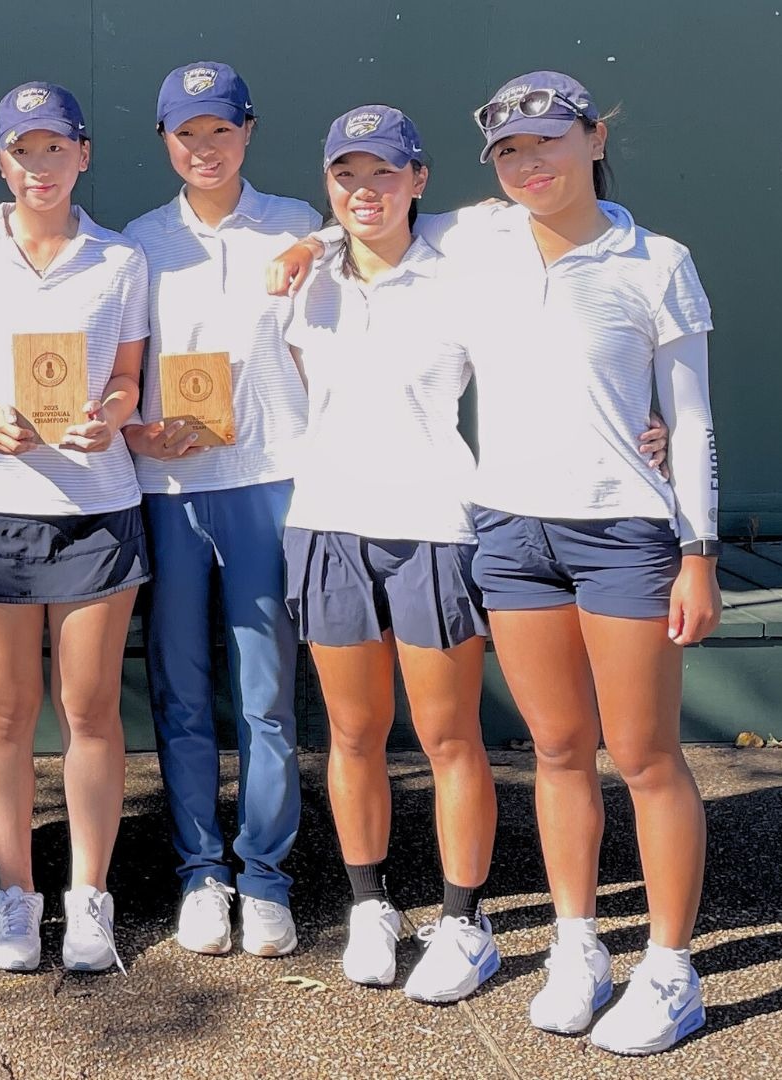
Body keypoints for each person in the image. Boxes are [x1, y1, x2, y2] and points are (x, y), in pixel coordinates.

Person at [271, 71, 718, 1055]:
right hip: (512, 535)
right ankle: (575, 947)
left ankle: (672, 970)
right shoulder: (481, 248)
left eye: (548, 143)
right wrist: (307, 240)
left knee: (643, 756)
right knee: (557, 753)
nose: (530, 165)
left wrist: (697, 549)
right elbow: (367, 223)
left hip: (623, 536)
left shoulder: (657, 261)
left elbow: (690, 424)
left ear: (596, 137)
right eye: (511, 153)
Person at [0, 82, 148, 973]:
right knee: (6, 711)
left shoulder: (121, 260)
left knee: (90, 709)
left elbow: (130, 379)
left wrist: (113, 414)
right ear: (1, 163)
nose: (40, 167)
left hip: (98, 509)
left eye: (55, 149)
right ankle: (16, 896)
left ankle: (88, 897)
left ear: (83, 155)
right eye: (23, 151)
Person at [282, 106, 498, 1002]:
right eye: (346, 176)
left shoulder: (464, 268)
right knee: (353, 733)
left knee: (450, 736)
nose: (364, 190)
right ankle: (372, 905)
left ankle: (463, 920)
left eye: (384, 173)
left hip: (437, 525)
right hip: (328, 520)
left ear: (420, 178)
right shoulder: (304, 279)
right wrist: (317, 239)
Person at [118, 61, 324, 958]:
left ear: (248, 131)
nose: (205, 148)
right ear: (164, 141)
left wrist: (320, 249)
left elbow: (383, 249)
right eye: (186, 133)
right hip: (169, 490)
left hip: (269, 482)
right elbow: (115, 372)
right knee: (181, 691)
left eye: (220, 130)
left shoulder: (298, 226)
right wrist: (137, 430)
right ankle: (201, 873)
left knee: (267, 696)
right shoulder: (136, 242)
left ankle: (266, 876)